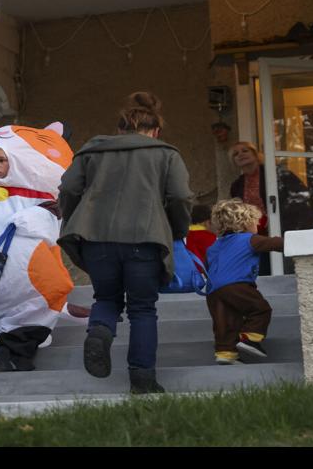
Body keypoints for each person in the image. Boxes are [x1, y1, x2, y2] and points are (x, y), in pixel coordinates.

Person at [57, 92, 193, 394]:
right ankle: (142, 380)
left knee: (106, 299)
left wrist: (74, 218)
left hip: (96, 239)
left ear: (119, 129)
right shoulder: (166, 154)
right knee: (143, 309)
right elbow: (181, 196)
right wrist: (176, 231)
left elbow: (68, 187)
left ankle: (99, 333)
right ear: (155, 131)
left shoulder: (93, 151)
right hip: (145, 240)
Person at [202, 200, 282, 365]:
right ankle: (250, 339)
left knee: (225, 323)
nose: (257, 226)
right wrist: (297, 243)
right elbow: (275, 243)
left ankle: (226, 353)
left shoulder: (214, 246)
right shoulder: (250, 239)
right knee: (260, 309)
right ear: (246, 223)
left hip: (213, 292)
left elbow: (209, 265)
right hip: (237, 285)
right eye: (256, 222)